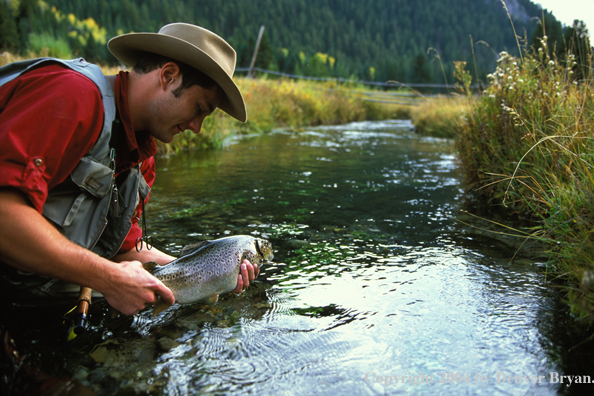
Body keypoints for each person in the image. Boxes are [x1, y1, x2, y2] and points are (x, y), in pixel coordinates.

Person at [0, 23, 259, 316]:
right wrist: (108, 279)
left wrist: (204, 274)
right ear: (168, 76)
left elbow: (125, 248)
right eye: (199, 108)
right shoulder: (72, 96)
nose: (197, 128)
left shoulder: (142, 157)